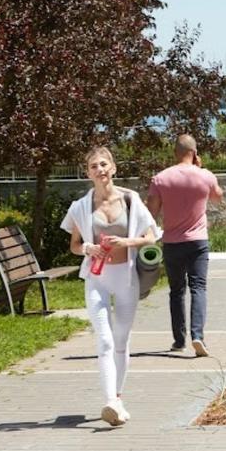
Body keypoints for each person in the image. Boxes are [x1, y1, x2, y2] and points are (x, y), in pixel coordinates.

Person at [60, 146, 161, 426]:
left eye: (104, 164)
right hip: (96, 279)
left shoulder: (131, 200)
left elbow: (152, 236)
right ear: (88, 173)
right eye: (94, 166)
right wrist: (88, 249)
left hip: (126, 277)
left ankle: (118, 395)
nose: (100, 170)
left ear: (113, 168)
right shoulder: (81, 206)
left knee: (121, 340)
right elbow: (74, 245)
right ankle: (110, 403)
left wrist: (127, 243)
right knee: (103, 340)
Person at [146, 134, 223, 358]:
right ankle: (197, 335)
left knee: (177, 291)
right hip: (198, 242)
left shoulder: (160, 179)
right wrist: (202, 171)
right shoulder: (205, 176)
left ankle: (179, 340)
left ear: (175, 153)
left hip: (172, 242)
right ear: (194, 152)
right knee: (198, 287)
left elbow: (151, 212)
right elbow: (218, 197)